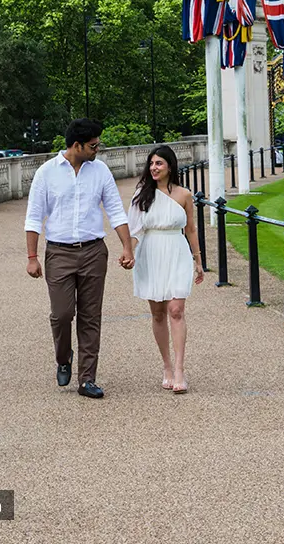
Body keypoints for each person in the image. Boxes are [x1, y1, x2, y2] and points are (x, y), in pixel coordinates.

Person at [24, 118, 135, 400]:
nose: (98, 149)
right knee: (61, 314)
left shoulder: (100, 171)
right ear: (77, 145)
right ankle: (63, 358)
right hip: (59, 252)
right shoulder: (46, 173)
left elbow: (115, 211)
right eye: (94, 145)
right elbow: (34, 217)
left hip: (93, 251)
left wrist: (127, 247)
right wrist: (32, 257)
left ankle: (88, 379)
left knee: (90, 317)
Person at [127, 145, 204, 394]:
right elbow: (135, 229)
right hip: (150, 252)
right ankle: (167, 367)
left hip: (177, 250)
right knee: (158, 312)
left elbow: (191, 229)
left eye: (159, 163)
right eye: (151, 164)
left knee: (176, 309)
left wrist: (198, 260)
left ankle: (180, 369)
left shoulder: (184, 195)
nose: (154, 168)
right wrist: (129, 253)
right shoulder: (142, 195)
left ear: (170, 166)